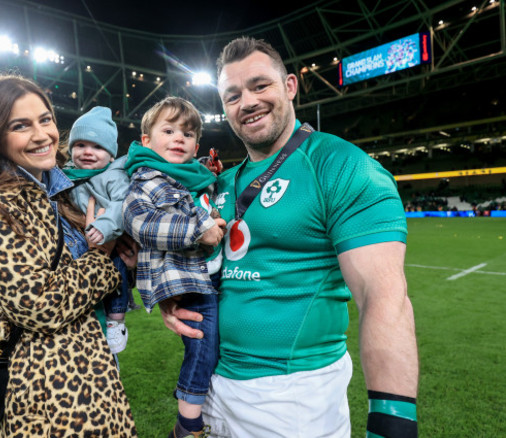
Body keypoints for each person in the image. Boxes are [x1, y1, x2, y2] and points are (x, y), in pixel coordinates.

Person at [160, 37, 419, 438]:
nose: (247, 102)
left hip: (291, 401)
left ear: (291, 87)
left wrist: (393, 423)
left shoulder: (342, 166)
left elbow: (384, 297)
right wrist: (174, 297)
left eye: (260, 86)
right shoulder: (221, 184)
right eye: (232, 95)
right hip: (208, 387)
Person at [0, 73, 137, 437]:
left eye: (46, 119)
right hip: (48, 391)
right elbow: (40, 306)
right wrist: (103, 258)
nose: (43, 134)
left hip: (96, 372)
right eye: (21, 126)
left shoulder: (64, 191)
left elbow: (90, 283)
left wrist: (127, 263)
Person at [123, 97, 226, 438]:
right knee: (203, 344)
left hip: (207, 275)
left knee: (211, 345)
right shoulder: (146, 179)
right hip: (185, 280)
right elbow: (143, 224)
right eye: (168, 130)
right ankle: (188, 424)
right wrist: (199, 229)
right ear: (147, 141)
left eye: (188, 132)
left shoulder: (192, 178)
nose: (179, 138)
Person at [62, 106, 133, 354]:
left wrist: (105, 226)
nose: (88, 152)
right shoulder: (66, 175)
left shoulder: (113, 175)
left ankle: (117, 321)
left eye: (98, 147)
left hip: (111, 236)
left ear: (112, 155)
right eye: (80, 145)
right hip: (83, 254)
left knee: (117, 271)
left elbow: (122, 203)